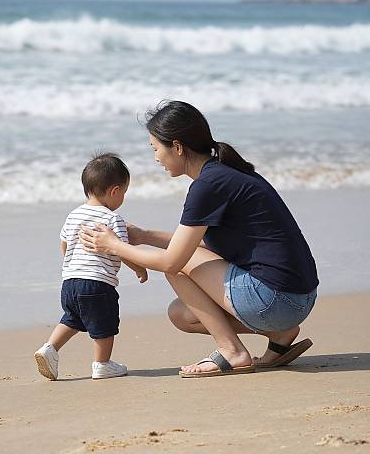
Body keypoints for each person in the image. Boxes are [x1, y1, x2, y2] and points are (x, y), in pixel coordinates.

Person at [79, 101, 319, 378]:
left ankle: (232, 351)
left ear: (178, 147)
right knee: (182, 314)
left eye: (156, 149)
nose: (156, 158)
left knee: (175, 265)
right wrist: (144, 236)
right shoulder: (226, 172)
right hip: (296, 298)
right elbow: (206, 246)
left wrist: (114, 245)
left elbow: (173, 261)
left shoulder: (207, 185)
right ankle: (279, 333)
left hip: (276, 299)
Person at [34, 152, 147, 381]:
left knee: (72, 318)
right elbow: (121, 249)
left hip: (70, 282)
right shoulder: (113, 219)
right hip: (97, 283)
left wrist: (71, 265)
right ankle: (102, 364)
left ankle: (50, 348)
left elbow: (64, 243)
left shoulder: (74, 215)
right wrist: (138, 268)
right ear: (114, 191)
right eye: (123, 192)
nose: (123, 198)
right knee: (105, 324)